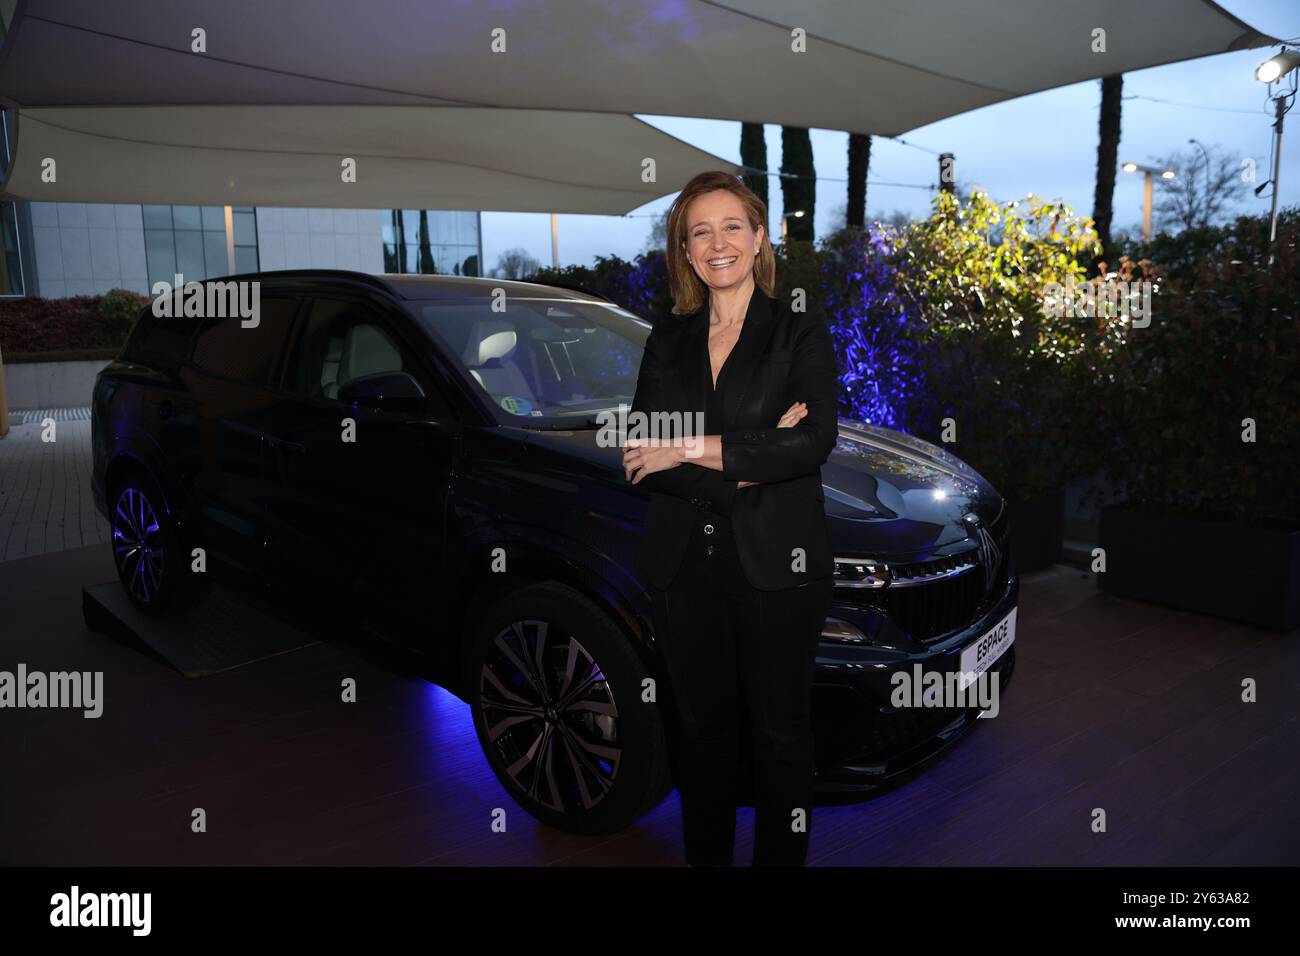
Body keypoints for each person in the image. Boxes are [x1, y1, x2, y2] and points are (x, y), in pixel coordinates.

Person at [622, 170, 840, 866]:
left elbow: (812, 443)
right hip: (683, 567)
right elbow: (636, 454)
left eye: (731, 227)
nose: (718, 243)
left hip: (781, 567)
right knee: (700, 732)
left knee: (781, 736)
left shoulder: (799, 333)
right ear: (686, 252)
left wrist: (686, 448)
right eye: (700, 232)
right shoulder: (669, 340)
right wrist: (753, 457)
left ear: (759, 237)